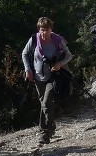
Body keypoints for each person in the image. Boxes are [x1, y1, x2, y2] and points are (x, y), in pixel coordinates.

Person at [20, 16, 74, 145]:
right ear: (39, 29)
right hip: (38, 77)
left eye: (46, 29)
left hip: (53, 77)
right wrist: (28, 70)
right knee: (44, 104)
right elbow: (24, 54)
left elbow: (69, 55)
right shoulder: (34, 39)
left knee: (46, 102)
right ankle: (52, 125)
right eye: (41, 29)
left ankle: (45, 132)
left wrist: (60, 64)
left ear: (51, 29)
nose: (44, 32)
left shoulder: (57, 40)